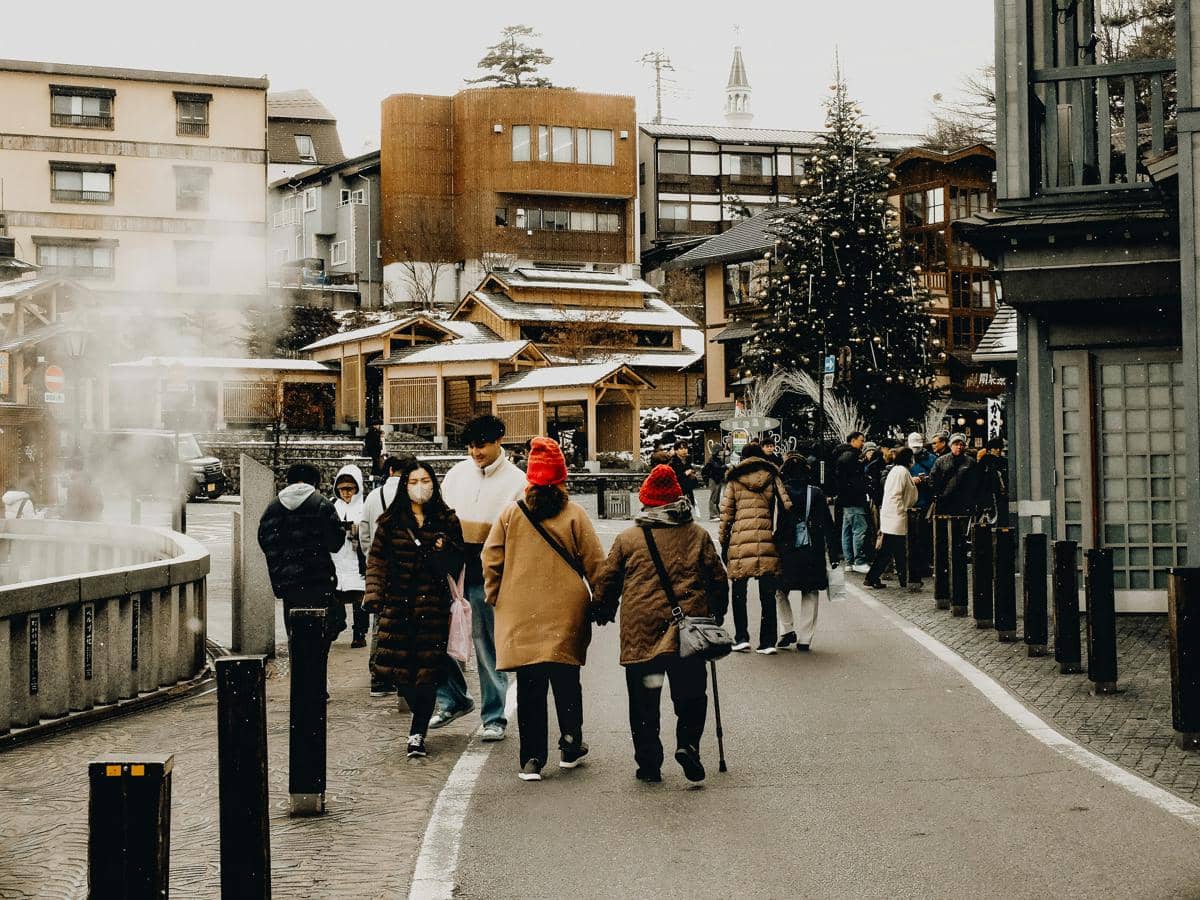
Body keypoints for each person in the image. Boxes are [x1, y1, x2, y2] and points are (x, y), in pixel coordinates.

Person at [593, 464, 728, 784]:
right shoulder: (697, 534)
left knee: (644, 702)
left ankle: (649, 764)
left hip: (643, 631)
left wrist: (602, 610)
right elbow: (718, 579)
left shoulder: (628, 539)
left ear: (647, 501)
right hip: (689, 632)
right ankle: (688, 744)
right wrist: (716, 615)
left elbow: (607, 581)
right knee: (691, 695)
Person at [484, 437, 605, 781]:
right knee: (566, 678)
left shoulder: (512, 513)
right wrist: (602, 598)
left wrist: (495, 595)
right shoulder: (574, 514)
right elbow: (595, 562)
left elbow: (492, 559)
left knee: (530, 683)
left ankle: (532, 759)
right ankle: (570, 743)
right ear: (561, 479)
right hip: (567, 608)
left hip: (521, 609)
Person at [433, 415, 527, 740]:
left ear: (499, 440)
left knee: (485, 646)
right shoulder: (457, 475)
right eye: (471, 445)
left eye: (482, 445)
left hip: (488, 575)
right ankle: (453, 700)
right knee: (439, 640)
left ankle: (494, 716)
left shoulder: (518, 482)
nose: (476, 452)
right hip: (451, 572)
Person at [363, 459, 465, 760]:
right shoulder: (390, 522)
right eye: (413, 481)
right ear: (404, 485)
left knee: (427, 672)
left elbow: (458, 562)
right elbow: (377, 561)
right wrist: (374, 595)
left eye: (425, 481)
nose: (420, 487)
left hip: (433, 606)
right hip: (397, 605)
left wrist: (442, 548)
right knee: (399, 673)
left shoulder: (447, 520)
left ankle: (417, 734)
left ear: (434, 484)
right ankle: (430, 716)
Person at [257, 463, 347, 649]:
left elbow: (265, 540)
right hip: (319, 582)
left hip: (288, 584)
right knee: (320, 638)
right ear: (315, 482)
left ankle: (298, 674)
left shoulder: (273, 506)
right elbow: (336, 543)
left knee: (295, 636)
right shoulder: (322, 503)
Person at [718, 443, 791, 654]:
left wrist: (724, 541)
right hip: (768, 538)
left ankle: (741, 637)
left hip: (740, 541)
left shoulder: (734, 479)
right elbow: (787, 506)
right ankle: (767, 642)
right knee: (767, 593)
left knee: (739, 591)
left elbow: (726, 515)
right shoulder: (772, 476)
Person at [774, 456, 840, 651]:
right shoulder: (816, 493)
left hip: (786, 550)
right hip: (812, 550)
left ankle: (787, 629)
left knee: (779, 590)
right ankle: (805, 638)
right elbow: (829, 525)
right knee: (810, 592)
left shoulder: (780, 493)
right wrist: (834, 554)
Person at [360, 455, 411, 697]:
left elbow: (364, 533)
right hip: (407, 568)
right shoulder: (415, 494)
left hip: (380, 568)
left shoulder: (373, 496)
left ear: (390, 470)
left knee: (380, 622)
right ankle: (401, 677)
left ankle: (379, 679)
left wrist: (372, 557)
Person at [865, 447, 919, 590]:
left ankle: (875, 577)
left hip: (892, 516)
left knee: (890, 550)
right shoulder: (901, 472)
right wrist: (903, 508)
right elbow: (899, 494)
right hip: (896, 516)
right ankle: (895, 579)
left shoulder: (896, 471)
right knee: (894, 550)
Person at [330, 464, 369, 648]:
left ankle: (359, 633)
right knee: (336, 594)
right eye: (342, 489)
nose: (346, 494)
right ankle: (339, 622)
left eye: (350, 489)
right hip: (338, 557)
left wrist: (356, 529)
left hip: (357, 558)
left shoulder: (365, 506)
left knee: (360, 597)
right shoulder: (332, 505)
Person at [832, 432, 871, 574]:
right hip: (854, 499)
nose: (863, 444)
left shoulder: (841, 455)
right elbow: (855, 480)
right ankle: (858, 561)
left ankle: (849, 561)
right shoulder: (851, 457)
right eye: (861, 441)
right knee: (859, 529)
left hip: (845, 499)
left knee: (847, 531)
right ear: (853, 440)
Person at [907, 432, 937, 580]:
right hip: (910, 503)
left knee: (924, 536)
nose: (915, 450)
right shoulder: (905, 457)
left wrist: (925, 480)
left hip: (924, 501)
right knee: (912, 538)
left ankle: (924, 566)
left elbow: (936, 477)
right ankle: (915, 567)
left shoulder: (931, 459)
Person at [930, 433, 980, 518]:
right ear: (950, 445)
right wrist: (937, 495)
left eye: (961, 445)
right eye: (956, 444)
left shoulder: (971, 462)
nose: (959, 447)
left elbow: (976, 481)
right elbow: (932, 479)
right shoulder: (941, 461)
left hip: (965, 502)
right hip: (945, 501)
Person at [978, 438, 1009, 525]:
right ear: (989, 449)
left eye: (1000, 448)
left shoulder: (984, 462)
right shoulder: (985, 462)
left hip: (994, 496)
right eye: (995, 448)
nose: (998, 450)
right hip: (992, 495)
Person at [700, 446, 729, 521]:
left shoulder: (719, 459)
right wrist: (726, 466)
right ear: (716, 452)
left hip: (718, 480)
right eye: (720, 451)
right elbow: (717, 468)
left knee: (717, 498)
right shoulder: (712, 460)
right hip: (713, 480)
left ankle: (717, 513)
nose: (722, 452)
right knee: (713, 498)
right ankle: (712, 515)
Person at [668, 440, 699, 508]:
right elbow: (672, 480)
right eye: (681, 448)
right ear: (676, 451)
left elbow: (694, 482)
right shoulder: (672, 464)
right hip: (677, 494)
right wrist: (685, 474)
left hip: (688, 493)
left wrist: (693, 477)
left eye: (685, 448)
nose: (684, 450)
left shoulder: (688, 462)